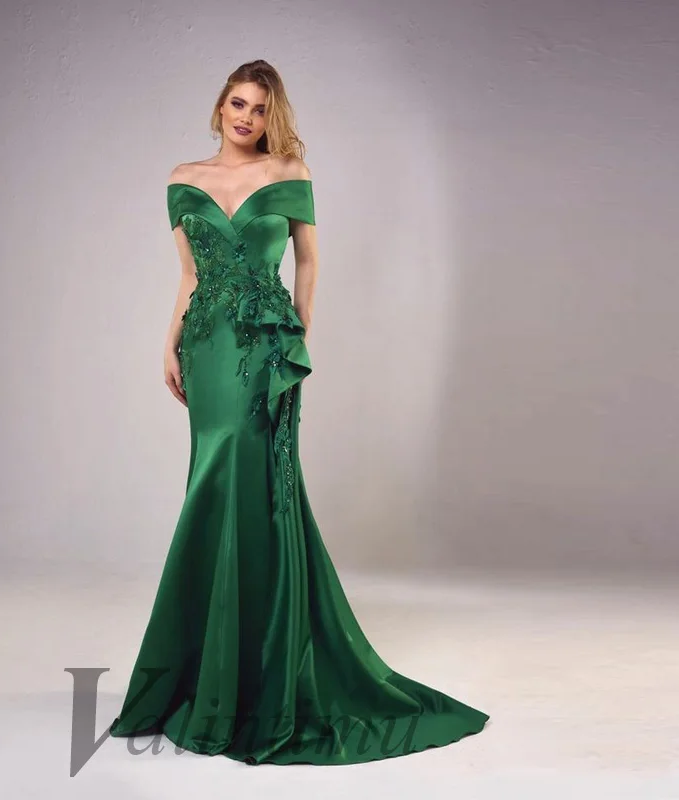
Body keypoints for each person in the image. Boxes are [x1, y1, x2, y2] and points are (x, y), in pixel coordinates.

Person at [109, 59, 489, 765]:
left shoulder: (289, 173)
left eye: (258, 109)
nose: (245, 118)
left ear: (271, 116)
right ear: (220, 106)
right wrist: (168, 344)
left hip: (265, 348)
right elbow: (188, 274)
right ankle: (205, 667)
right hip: (206, 344)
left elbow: (308, 260)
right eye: (237, 104)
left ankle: (259, 671)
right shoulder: (182, 179)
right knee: (211, 482)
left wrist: (298, 333)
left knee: (255, 485)